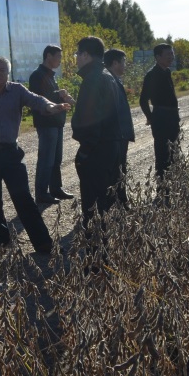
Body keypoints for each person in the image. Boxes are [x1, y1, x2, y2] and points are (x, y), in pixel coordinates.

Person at [0, 56, 68, 254]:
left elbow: (37, 101)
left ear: (8, 74)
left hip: (11, 153)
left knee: (23, 197)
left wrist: (52, 107)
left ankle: (43, 243)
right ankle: (1, 240)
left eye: (2, 70)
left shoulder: (17, 91)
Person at [71, 37, 123, 231]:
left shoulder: (93, 79)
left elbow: (91, 121)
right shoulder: (107, 75)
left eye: (78, 54)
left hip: (97, 151)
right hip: (110, 147)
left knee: (93, 208)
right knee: (104, 203)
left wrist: (84, 151)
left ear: (85, 55)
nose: (76, 59)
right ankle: (104, 252)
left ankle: (97, 256)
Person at [26, 45, 76, 205]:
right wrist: (59, 94)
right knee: (46, 159)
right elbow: (38, 98)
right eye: (58, 57)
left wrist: (63, 97)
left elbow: (50, 97)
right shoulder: (37, 75)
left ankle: (55, 189)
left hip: (56, 122)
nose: (60, 60)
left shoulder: (50, 76)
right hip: (46, 123)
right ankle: (41, 193)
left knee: (56, 159)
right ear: (48, 56)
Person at [139, 43, 180, 178]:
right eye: (168, 54)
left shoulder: (167, 72)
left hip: (172, 117)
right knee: (163, 153)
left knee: (174, 151)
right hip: (161, 118)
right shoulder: (152, 75)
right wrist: (151, 117)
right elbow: (143, 100)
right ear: (157, 57)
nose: (171, 57)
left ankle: (173, 182)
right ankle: (162, 187)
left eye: (172, 54)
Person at [104, 48, 136, 207]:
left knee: (121, 168)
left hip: (120, 136)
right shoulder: (108, 80)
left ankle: (120, 199)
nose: (125, 65)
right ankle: (115, 202)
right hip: (116, 136)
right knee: (116, 170)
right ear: (115, 62)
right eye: (123, 62)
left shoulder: (114, 80)